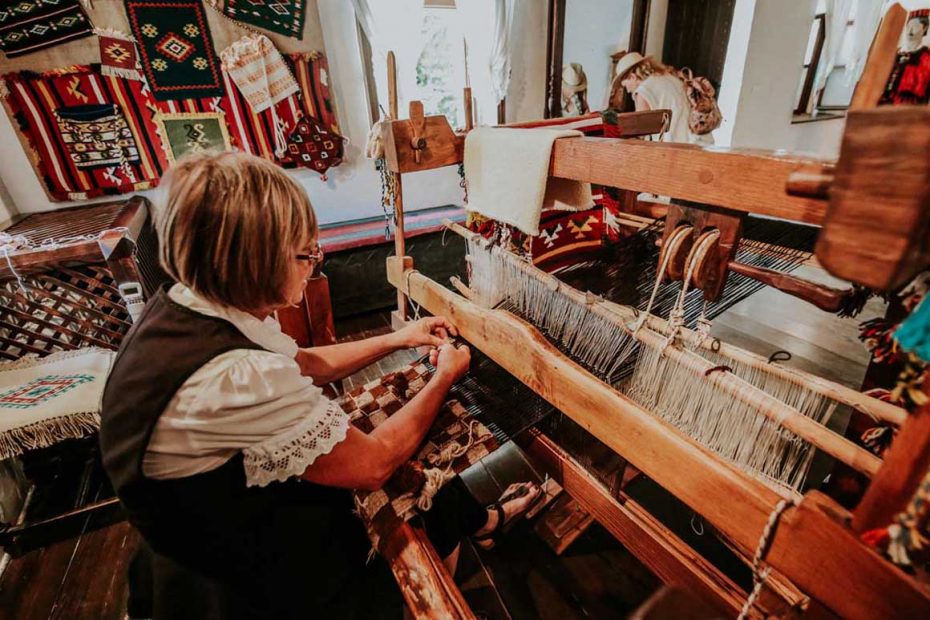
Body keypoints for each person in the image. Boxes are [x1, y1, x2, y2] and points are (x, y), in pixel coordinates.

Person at [99, 151, 540, 618]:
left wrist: (399, 338)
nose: (314, 263)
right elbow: (371, 465)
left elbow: (305, 362)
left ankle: (486, 524)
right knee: (418, 479)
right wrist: (445, 377)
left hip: (212, 516)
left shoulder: (194, 302)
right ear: (255, 261)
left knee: (426, 454)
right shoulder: (233, 377)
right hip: (240, 575)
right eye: (306, 254)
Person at [611, 51, 713, 144]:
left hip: (675, 147)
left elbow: (639, 131)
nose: (628, 91)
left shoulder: (643, 90)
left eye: (625, 86)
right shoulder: (670, 77)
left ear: (633, 77)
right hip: (698, 141)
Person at [881, 10, 930, 105]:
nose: (910, 31)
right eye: (908, 26)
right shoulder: (894, 54)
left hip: (909, 110)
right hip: (883, 108)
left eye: (915, 26)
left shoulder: (926, 58)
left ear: (924, 28)